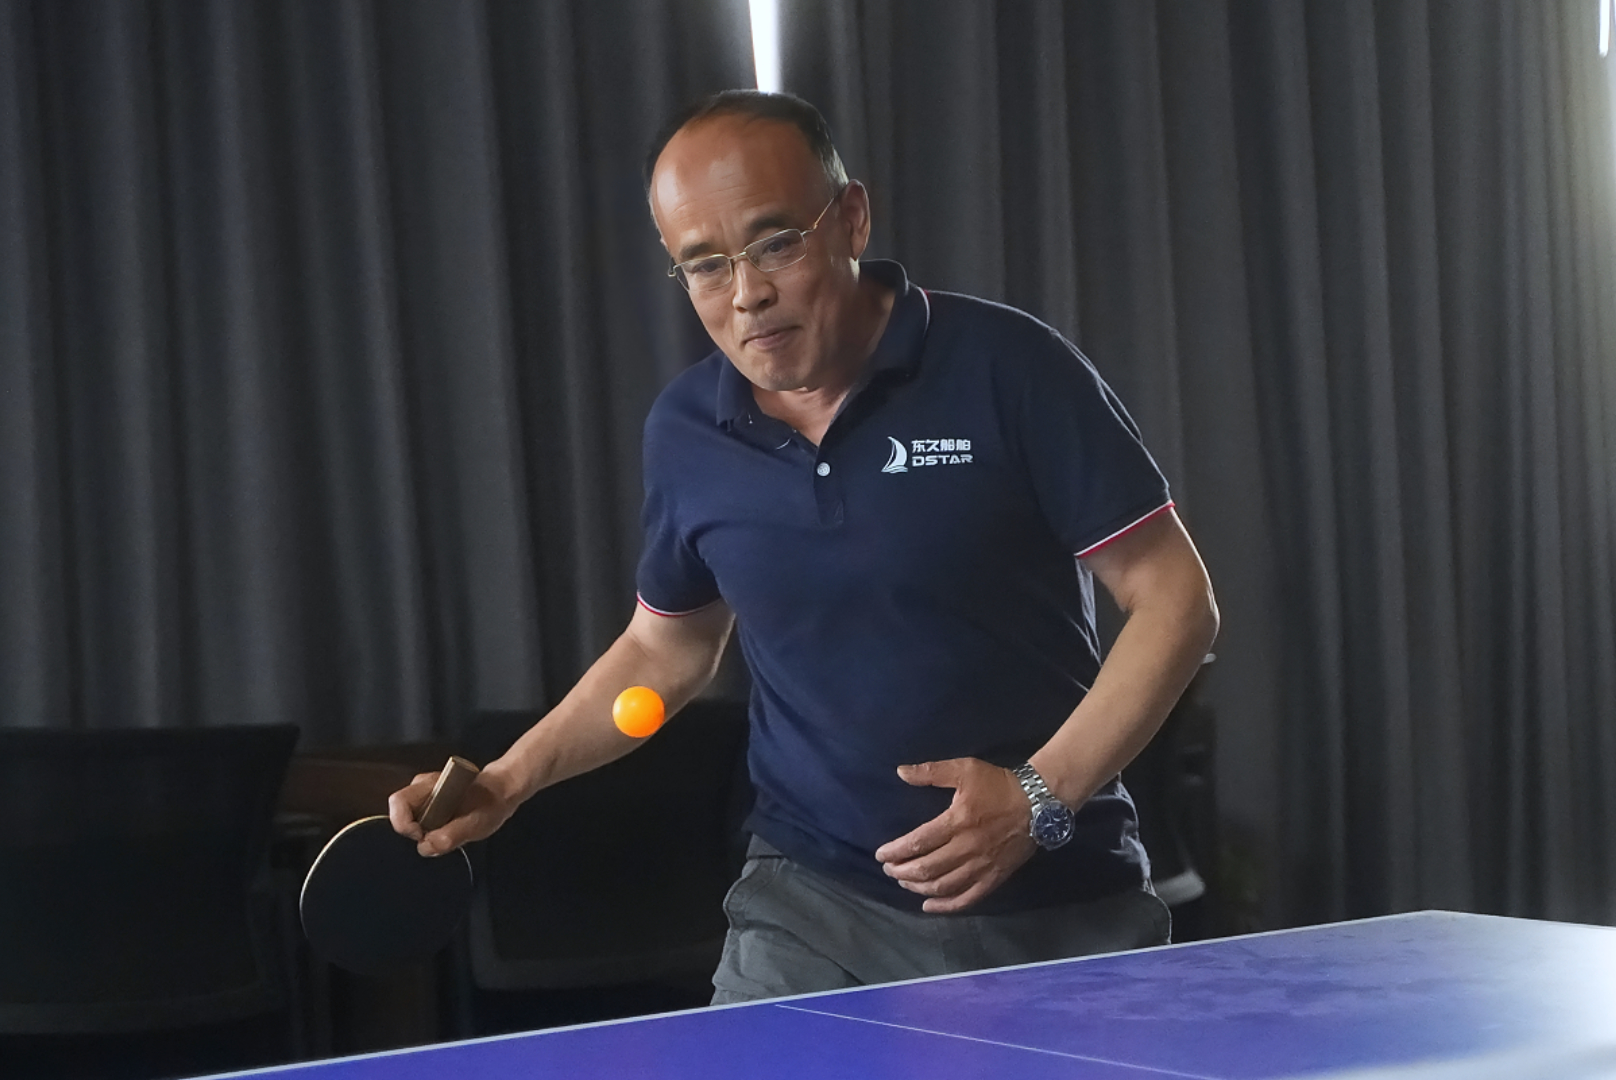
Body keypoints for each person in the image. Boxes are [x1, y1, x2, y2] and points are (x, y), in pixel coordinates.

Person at [389, 90, 1219, 1004]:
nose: (746, 293)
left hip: (1058, 903)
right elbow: (664, 653)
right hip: (811, 907)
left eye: (776, 243)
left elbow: (1176, 599)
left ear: (851, 218)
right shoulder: (686, 432)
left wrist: (1039, 795)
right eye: (705, 266)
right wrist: (508, 779)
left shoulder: (1010, 367)